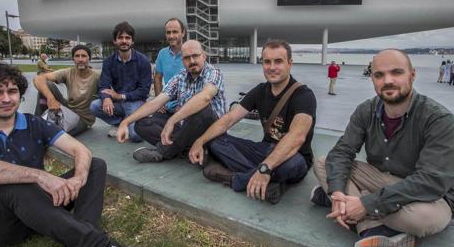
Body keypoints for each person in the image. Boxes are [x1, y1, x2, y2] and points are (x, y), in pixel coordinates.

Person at [0, 63, 154, 247]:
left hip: (38, 212)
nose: (6, 99)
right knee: (19, 184)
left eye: (12, 91)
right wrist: (40, 176)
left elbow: (80, 150)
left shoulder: (34, 123)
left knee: (94, 166)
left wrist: (78, 179)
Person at [311, 49, 454, 247]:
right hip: (380, 179)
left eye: (396, 73)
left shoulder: (438, 119)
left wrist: (367, 202)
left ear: (412, 75)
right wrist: (337, 191)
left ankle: (348, 207)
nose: (387, 81)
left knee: (420, 220)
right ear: (372, 79)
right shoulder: (367, 110)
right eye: (379, 75)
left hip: (425, 196)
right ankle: (368, 226)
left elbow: (433, 180)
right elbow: (342, 152)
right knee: (324, 163)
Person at [189, 39, 316, 204]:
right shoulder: (260, 91)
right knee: (215, 141)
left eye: (278, 61)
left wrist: (265, 168)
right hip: (265, 149)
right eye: (267, 62)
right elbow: (228, 119)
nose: (272, 67)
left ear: (289, 64)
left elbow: (297, 137)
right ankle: (270, 183)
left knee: (292, 164)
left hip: (295, 156)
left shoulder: (303, 95)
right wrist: (200, 140)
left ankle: (237, 179)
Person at [116, 40, 226, 163]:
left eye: (195, 56)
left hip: (210, 131)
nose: (192, 61)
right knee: (142, 123)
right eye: (187, 58)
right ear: (182, 61)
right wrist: (125, 122)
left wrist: (172, 120)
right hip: (185, 129)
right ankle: (187, 150)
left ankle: (164, 152)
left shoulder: (214, 73)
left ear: (204, 56)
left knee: (202, 110)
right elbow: (156, 102)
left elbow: (205, 97)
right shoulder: (180, 77)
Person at [90, 22, 151, 141]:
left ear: (132, 41)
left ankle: (140, 118)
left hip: (135, 101)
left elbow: (144, 91)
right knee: (95, 106)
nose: (124, 41)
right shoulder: (109, 62)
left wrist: (120, 96)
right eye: (120, 37)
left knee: (135, 137)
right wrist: (106, 98)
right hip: (118, 103)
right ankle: (120, 123)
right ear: (115, 41)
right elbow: (103, 85)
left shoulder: (143, 61)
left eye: (127, 38)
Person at [34, 45, 100, 136]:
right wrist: (51, 98)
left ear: (89, 58)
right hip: (69, 108)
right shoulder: (68, 72)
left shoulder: (97, 75)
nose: (80, 59)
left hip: (83, 118)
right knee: (47, 84)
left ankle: (45, 130)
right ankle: (35, 123)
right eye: (77, 56)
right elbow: (38, 79)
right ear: (73, 59)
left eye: (84, 56)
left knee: (56, 135)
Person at [154, 18, 186, 113]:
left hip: (187, 105)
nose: (171, 36)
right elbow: (157, 78)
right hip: (168, 104)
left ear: (183, 33)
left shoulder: (190, 52)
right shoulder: (162, 54)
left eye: (175, 32)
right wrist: (159, 103)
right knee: (144, 125)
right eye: (168, 32)